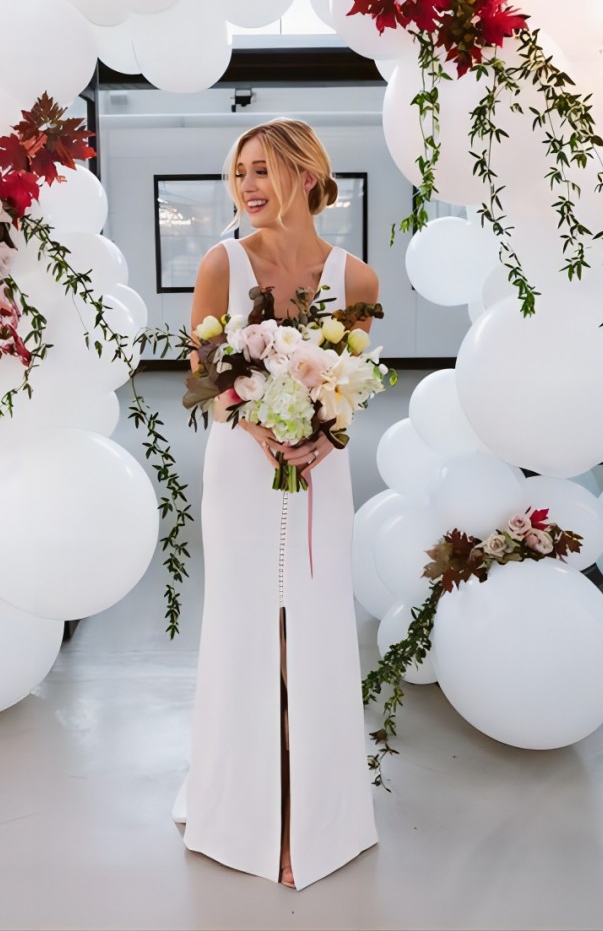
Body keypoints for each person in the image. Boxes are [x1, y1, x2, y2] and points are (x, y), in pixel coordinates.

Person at [172, 119, 379, 890]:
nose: (249, 187)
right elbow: (202, 375)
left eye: (264, 170)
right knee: (248, 631)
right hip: (241, 468)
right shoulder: (221, 262)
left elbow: (352, 386)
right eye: (240, 174)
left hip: (321, 472)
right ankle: (247, 818)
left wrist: (325, 436)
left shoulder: (356, 279)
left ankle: (317, 819)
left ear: (305, 173)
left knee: (314, 638)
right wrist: (262, 425)